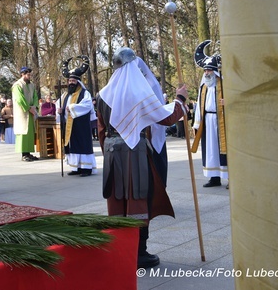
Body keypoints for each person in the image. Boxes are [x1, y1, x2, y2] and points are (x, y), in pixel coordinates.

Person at [96, 47, 188, 269]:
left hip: (111, 152)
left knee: (118, 199)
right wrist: (180, 99)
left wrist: (109, 150)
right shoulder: (138, 93)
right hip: (134, 153)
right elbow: (165, 118)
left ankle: (120, 249)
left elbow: (100, 129)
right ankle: (139, 252)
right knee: (138, 198)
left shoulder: (102, 95)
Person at [192, 40, 228, 188]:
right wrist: (197, 123)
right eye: (205, 70)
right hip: (207, 120)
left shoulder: (224, 84)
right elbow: (200, 106)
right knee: (210, 150)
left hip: (222, 122)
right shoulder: (204, 87)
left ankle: (230, 179)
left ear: (216, 71)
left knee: (224, 150)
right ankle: (214, 178)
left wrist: (228, 102)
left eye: (209, 70)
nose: (206, 73)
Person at [57, 56, 97, 176]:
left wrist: (73, 108)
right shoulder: (65, 95)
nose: (71, 83)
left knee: (82, 144)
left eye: (73, 81)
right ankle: (76, 168)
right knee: (72, 145)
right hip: (69, 126)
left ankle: (86, 168)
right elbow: (58, 105)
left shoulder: (85, 93)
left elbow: (87, 105)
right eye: (69, 81)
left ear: (78, 82)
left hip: (81, 125)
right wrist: (59, 110)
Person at [12, 67, 40, 161]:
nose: (29, 76)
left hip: (31, 113)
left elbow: (35, 97)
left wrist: (35, 107)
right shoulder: (17, 85)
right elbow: (20, 99)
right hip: (22, 114)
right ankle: (24, 154)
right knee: (23, 133)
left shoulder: (31, 85)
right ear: (22, 74)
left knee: (30, 133)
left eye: (30, 74)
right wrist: (28, 108)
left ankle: (29, 153)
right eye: (28, 74)